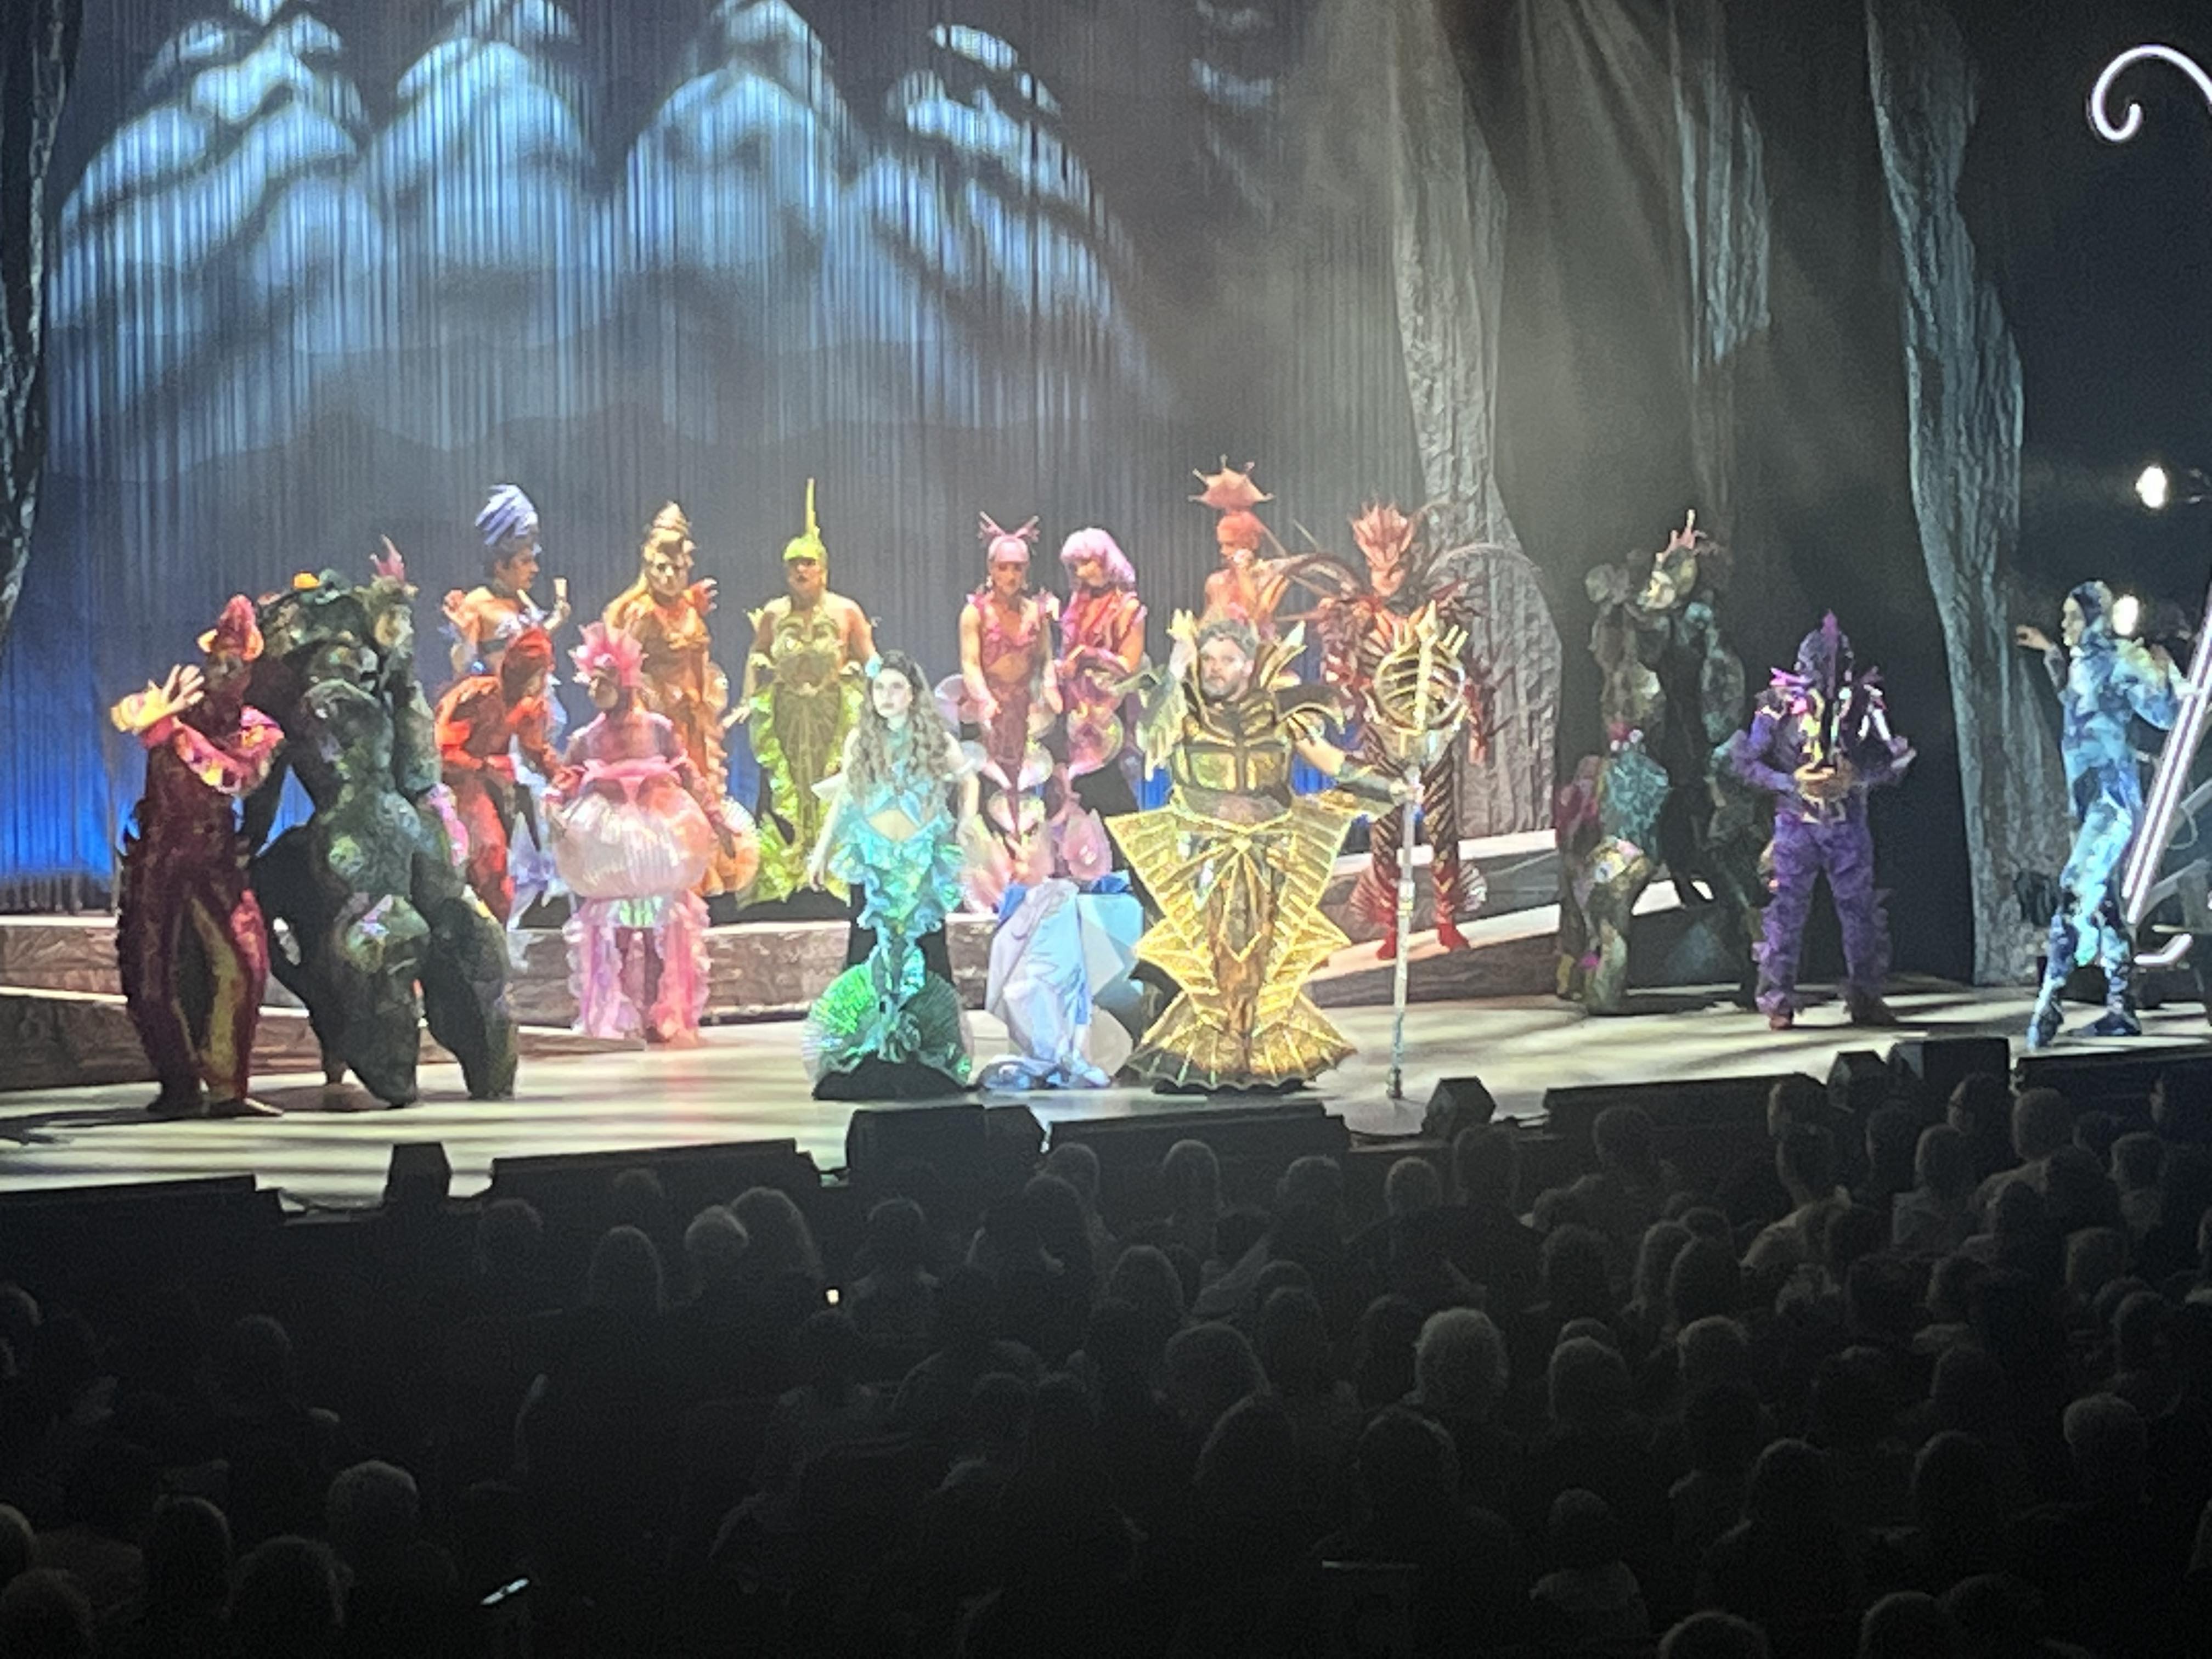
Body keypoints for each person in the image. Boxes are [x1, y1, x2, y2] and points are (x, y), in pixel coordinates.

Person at [1108, 612, 1403, 1089]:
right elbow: (1150, 741)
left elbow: (1330, 761)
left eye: (1226, 660)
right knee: (1195, 962)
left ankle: (1269, 1061)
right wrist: (1176, 672)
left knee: (1267, 961)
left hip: (1268, 853)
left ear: (1248, 664)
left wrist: (1389, 786)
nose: (1214, 668)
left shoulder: (1282, 714)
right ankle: (1182, 1063)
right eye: (1208, 659)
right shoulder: (1181, 708)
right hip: (1198, 858)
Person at [1295, 502, 1494, 958]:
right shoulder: (1358, 620)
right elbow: (1338, 681)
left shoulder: (1436, 615)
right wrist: (1341, 682)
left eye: (1396, 568)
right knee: (1384, 834)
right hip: (1382, 739)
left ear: (1410, 564)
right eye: (1378, 570)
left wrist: (1477, 729)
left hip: (1434, 737)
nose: (1387, 579)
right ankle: (1389, 925)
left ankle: (1447, 918)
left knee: (1442, 830)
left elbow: (1465, 673)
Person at [111, 595, 286, 1119]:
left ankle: (228, 1085)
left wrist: (176, 735)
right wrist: (148, 715)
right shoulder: (178, 705)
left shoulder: (259, 729)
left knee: (246, 963)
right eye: (216, 661)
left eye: (234, 664)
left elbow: (234, 778)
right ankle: (178, 1083)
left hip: (214, 858)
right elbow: (127, 714)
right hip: (159, 855)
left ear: (249, 673)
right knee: (149, 971)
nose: (222, 672)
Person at [547, 624, 743, 1044]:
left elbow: (687, 771)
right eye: (592, 681)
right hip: (610, 846)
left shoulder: (656, 728)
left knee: (660, 925)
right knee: (616, 929)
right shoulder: (588, 737)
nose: (596, 689)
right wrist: (551, 807)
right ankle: (620, 1012)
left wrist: (715, 818)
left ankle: (658, 1009)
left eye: (605, 680)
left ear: (625, 680)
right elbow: (565, 777)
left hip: (656, 838)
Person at [802, 650, 977, 1098]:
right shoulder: (861, 740)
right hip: (875, 861)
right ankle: (868, 1051)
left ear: (913, 693)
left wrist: (966, 822)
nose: (886, 696)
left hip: (920, 862)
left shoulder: (935, 741)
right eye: (879, 688)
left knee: (926, 951)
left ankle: (933, 1052)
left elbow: (969, 779)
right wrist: (821, 851)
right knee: (868, 949)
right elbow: (845, 797)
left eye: (896, 687)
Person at [2016, 580, 2184, 1046]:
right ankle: (2120, 1008)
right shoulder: (2083, 665)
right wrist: (2051, 651)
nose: (2066, 624)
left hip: (2112, 803)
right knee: (2106, 908)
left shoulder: (2120, 660)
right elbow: (2075, 704)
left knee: (2074, 892)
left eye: (2073, 617)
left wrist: (2164, 670)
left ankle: (2048, 1003)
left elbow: (2165, 715)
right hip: (2088, 803)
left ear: (2094, 620)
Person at [1726, 613, 1913, 1029]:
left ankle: (1866, 996)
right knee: (1786, 912)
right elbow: (1745, 763)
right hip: (1795, 824)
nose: (1829, 675)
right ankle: (1777, 999)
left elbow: (1895, 759)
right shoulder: (1777, 704)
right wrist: (1792, 781)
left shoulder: (1863, 702)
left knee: (1860, 911)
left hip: (1848, 824)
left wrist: (1856, 777)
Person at [603, 502, 753, 899]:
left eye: (677, 569)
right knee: (664, 798)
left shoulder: (688, 607)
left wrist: (707, 707)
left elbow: (700, 658)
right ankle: (662, 876)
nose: (669, 577)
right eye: (661, 568)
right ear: (648, 567)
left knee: (698, 793)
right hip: (658, 726)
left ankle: (698, 879)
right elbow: (626, 669)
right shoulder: (642, 612)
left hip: (692, 720)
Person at [738, 479, 877, 905]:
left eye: (808, 563)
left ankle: (836, 876)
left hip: (833, 716)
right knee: (784, 793)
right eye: (793, 564)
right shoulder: (775, 613)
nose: (801, 571)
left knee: (834, 785)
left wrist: (887, 702)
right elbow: (756, 655)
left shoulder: (846, 610)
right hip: (786, 716)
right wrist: (747, 700)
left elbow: (872, 659)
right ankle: (784, 877)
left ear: (823, 569)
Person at [941, 513, 1060, 898]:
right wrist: (984, 699)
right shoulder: (975, 612)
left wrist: (1050, 686)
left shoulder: (1036, 612)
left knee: (1027, 788)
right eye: (1004, 567)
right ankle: (986, 883)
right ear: (991, 568)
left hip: (1024, 709)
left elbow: (1045, 660)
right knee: (987, 784)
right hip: (987, 709)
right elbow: (970, 663)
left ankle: (1030, 874)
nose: (1011, 575)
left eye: (1018, 568)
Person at [433, 625, 562, 924]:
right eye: (540, 674)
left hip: (486, 784)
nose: (544, 682)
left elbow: (537, 751)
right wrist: (485, 768)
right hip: (454, 783)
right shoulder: (478, 696)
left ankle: (498, 922)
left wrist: (566, 779)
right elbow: (443, 751)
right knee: (488, 851)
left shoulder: (528, 708)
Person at [1055, 527, 1148, 822]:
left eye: (1087, 563)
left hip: (1111, 708)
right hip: (1075, 708)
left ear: (1107, 560)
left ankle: (1126, 847)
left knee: (1112, 793)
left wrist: (1089, 655)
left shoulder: (1127, 607)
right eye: (1075, 566)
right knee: (1078, 792)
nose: (1081, 572)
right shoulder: (1077, 603)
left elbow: (1129, 666)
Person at [444, 484, 571, 684]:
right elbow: (462, 667)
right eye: (525, 562)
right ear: (501, 566)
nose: (535, 569)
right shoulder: (477, 603)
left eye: (533, 560)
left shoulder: (522, 599)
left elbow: (530, 650)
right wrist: (464, 641)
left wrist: (557, 618)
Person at [1194, 460, 1291, 634]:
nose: (1224, 552)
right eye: (1221, 544)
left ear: (1252, 543)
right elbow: (1204, 629)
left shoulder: (1273, 578)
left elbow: (1256, 619)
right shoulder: (1215, 583)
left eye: (1231, 545)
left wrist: (1242, 574)